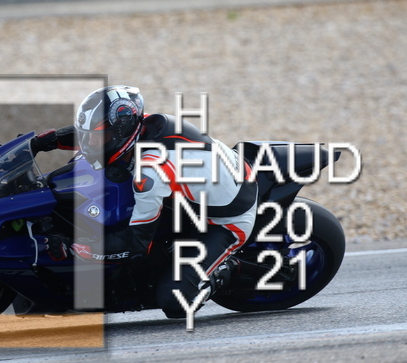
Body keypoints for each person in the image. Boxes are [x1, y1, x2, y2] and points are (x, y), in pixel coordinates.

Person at [30, 85, 257, 318]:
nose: (91, 143)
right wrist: (47, 141)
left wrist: (77, 247)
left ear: (121, 133)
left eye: (101, 138)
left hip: (227, 219)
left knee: (175, 301)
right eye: (90, 136)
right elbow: (94, 134)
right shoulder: (141, 124)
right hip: (201, 192)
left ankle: (228, 267)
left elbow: (136, 244)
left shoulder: (150, 172)